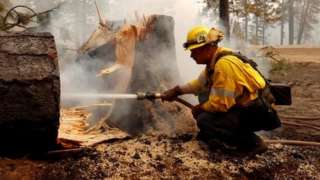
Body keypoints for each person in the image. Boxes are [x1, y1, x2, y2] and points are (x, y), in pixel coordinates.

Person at [161, 25, 280, 154]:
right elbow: (199, 84)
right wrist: (177, 91)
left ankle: (254, 144)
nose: (191, 55)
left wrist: (199, 108)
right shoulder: (216, 60)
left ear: (207, 48)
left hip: (260, 112)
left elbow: (221, 104)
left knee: (205, 119)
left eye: (194, 51)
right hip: (252, 107)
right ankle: (218, 136)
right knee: (204, 98)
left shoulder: (224, 64)